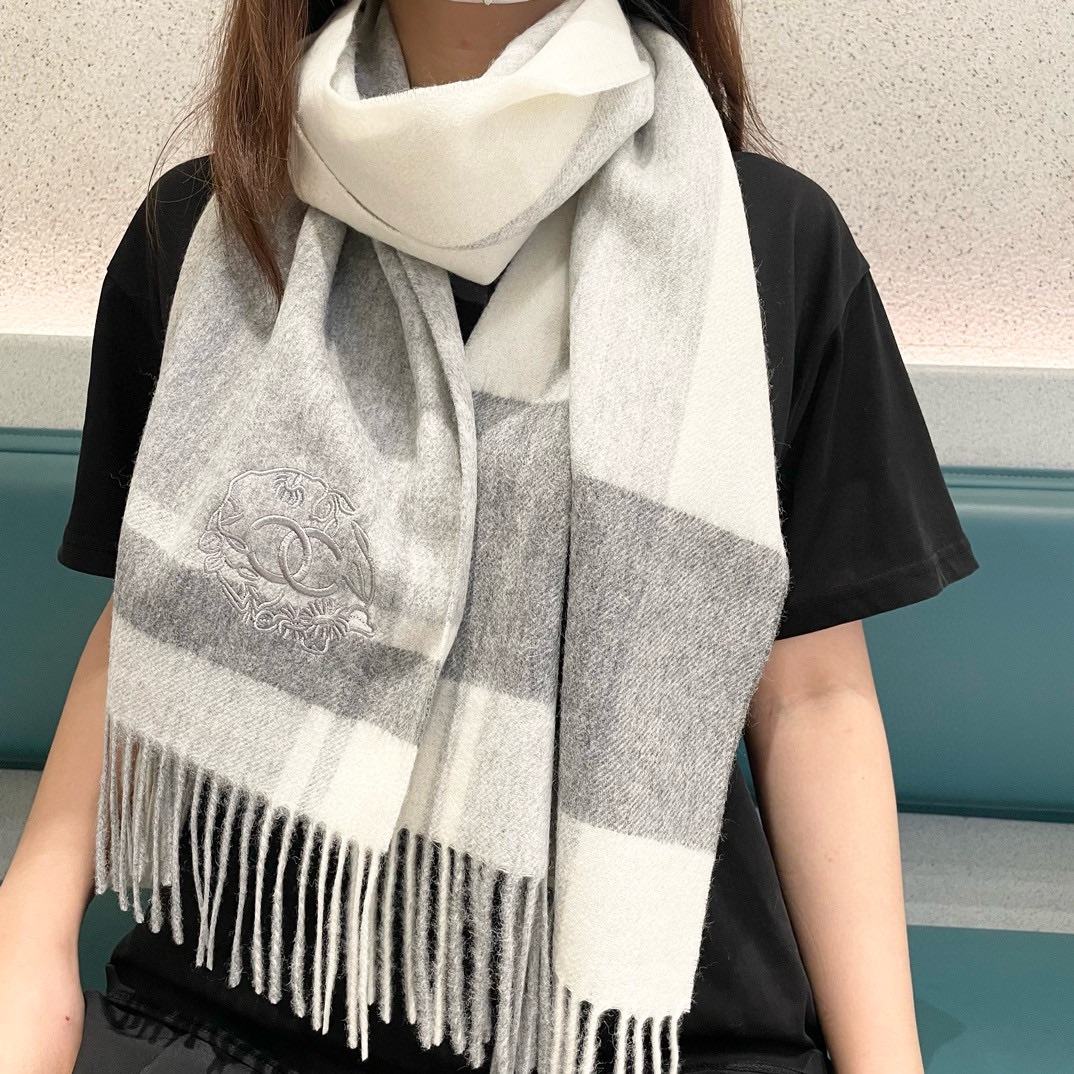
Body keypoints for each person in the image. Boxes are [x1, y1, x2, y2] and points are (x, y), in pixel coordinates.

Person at [0, 1, 980, 1072]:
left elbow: (813, 699)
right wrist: (29, 933)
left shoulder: (767, 241)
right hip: (244, 1002)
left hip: (641, 1036)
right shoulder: (209, 229)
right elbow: (157, 609)